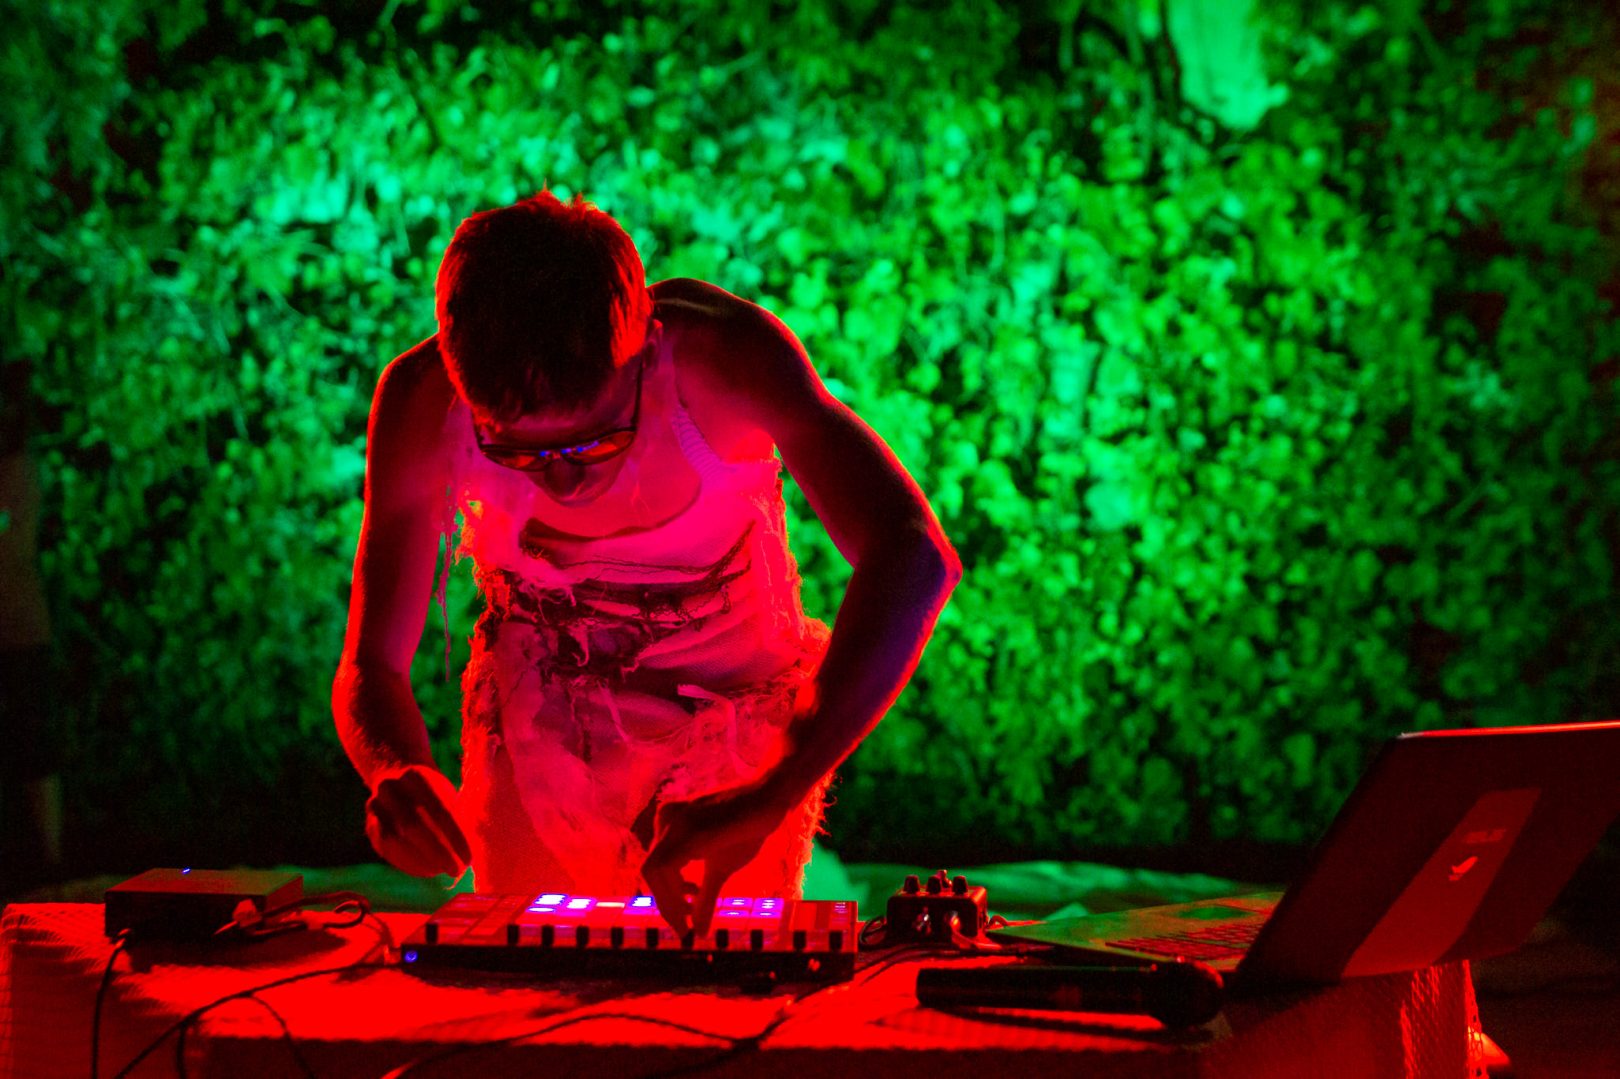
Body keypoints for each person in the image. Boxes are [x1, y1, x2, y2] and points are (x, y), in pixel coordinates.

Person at [332, 191, 960, 934]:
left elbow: (913, 553)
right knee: (524, 966)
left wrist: (777, 788)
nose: (559, 478)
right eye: (516, 450)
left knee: (725, 966)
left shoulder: (723, 357)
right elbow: (372, 658)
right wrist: (393, 769)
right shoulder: (420, 400)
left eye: (596, 440)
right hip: (538, 721)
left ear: (645, 347)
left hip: (731, 719)